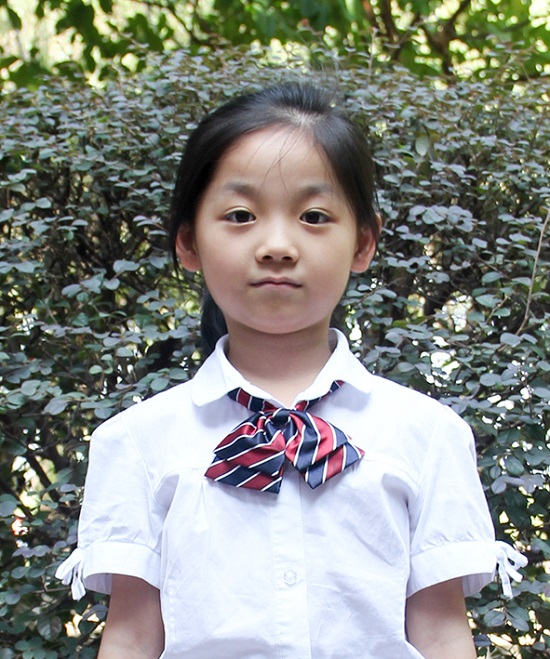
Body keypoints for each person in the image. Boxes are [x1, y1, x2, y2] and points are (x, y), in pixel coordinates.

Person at [56, 82, 526, 658]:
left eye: (313, 216)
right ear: (189, 242)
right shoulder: (135, 443)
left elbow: (441, 632)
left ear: (363, 243)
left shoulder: (428, 436)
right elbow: (131, 635)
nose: (277, 245)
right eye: (240, 215)